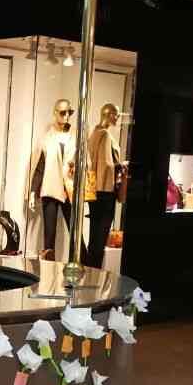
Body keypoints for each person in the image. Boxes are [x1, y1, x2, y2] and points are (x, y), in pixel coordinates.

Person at [27, 100, 76, 261]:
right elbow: (39, 167)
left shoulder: (75, 137)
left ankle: (84, 269)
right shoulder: (47, 138)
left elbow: (86, 162)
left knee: (76, 234)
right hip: (50, 189)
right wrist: (33, 191)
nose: (66, 116)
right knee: (49, 237)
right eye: (62, 112)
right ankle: (48, 273)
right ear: (55, 113)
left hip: (69, 189)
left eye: (69, 112)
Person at [85, 103, 123, 269]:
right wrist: (120, 166)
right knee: (100, 237)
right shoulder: (106, 135)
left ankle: (90, 271)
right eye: (115, 115)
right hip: (105, 190)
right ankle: (95, 272)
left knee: (94, 235)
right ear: (108, 115)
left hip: (93, 189)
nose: (117, 118)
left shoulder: (94, 134)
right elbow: (107, 165)